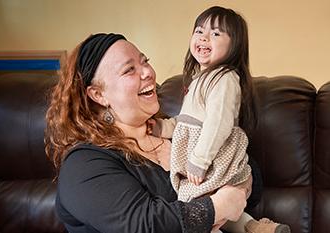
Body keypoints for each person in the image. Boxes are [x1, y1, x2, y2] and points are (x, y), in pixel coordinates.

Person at [45, 32, 249, 233]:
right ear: (99, 95)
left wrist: (239, 190)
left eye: (145, 61)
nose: (148, 72)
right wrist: (218, 206)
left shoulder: (175, 130)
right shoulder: (84, 164)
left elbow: (249, 173)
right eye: (129, 70)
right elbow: (141, 224)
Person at [151, 6, 291, 233]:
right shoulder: (198, 78)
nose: (204, 37)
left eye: (216, 33)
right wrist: (162, 127)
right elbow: (186, 121)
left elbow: (218, 123)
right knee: (212, 203)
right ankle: (253, 227)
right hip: (202, 157)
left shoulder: (225, 79)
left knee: (198, 204)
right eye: (199, 31)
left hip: (212, 158)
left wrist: (199, 160)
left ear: (234, 45)